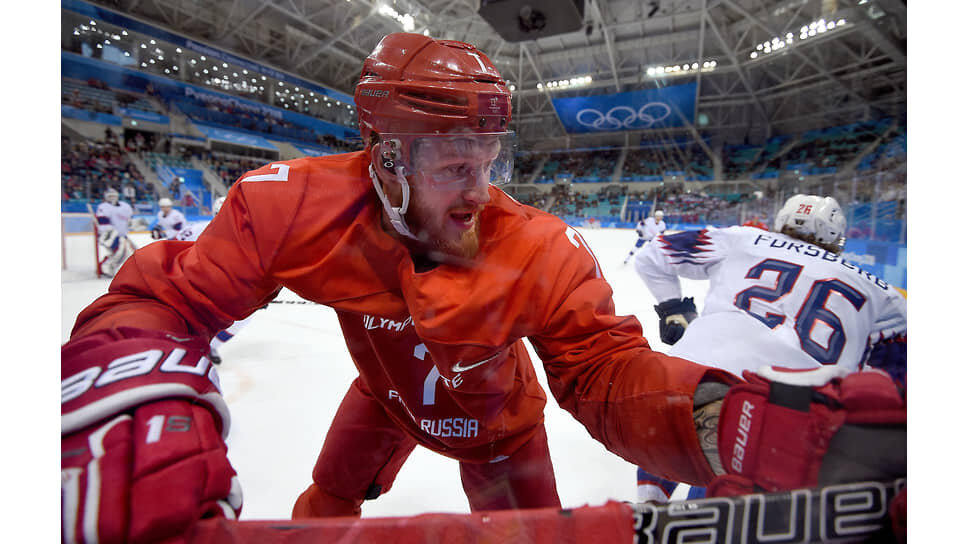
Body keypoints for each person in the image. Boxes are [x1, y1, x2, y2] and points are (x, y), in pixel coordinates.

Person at [62, 34, 905, 543]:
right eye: (454, 166)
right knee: (325, 501)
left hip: (501, 434)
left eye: (489, 161)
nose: (480, 190)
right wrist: (124, 387)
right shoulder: (288, 205)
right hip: (384, 400)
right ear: (387, 157)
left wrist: (728, 421)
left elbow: (607, 373)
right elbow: (166, 299)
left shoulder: (538, 248)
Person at [631, 194, 907, 503]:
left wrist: (673, 308)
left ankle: (649, 499)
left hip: (677, 384)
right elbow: (896, 387)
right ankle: (705, 511)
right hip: (771, 414)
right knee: (740, 454)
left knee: (684, 405)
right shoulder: (883, 295)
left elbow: (652, 256)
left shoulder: (742, 239)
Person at [170, 196, 256, 364]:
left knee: (243, 318)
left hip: (222, 287)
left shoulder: (246, 238)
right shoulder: (198, 229)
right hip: (192, 283)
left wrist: (257, 293)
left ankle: (210, 346)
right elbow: (171, 246)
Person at [94, 187, 135, 277]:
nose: (112, 198)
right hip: (109, 236)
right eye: (110, 196)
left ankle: (106, 267)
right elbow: (103, 223)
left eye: (114, 196)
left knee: (130, 252)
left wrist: (132, 225)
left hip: (122, 235)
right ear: (106, 197)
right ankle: (105, 267)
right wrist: (113, 235)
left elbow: (129, 220)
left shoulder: (125, 206)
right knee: (120, 252)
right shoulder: (103, 207)